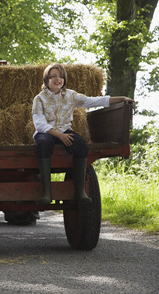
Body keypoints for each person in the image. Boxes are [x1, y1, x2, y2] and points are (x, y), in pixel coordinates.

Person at [32, 63, 134, 204]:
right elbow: (39, 123)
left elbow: (92, 101)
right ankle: (46, 194)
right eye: (53, 76)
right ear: (46, 80)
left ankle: (80, 193)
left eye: (61, 76)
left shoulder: (70, 95)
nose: (58, 79)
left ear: (64, 80)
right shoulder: (39, 98)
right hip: (46, 131)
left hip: (64, 130)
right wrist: (59, 135)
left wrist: (121, 99)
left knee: (80, 145)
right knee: (44, 143)